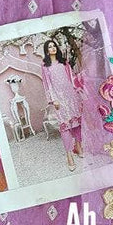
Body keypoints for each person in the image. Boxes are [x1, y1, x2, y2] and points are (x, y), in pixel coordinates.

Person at [41, 39, 84, 171]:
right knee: (65, 127)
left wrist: (77, 92)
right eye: (49, 47)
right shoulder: (45, 66)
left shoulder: (64, 62)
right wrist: (53, 100)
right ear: (46, 50)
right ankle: (69, 155)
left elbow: (71, 78)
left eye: (54, 46)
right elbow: (47, 84)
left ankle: (78, 147)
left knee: (77, 123)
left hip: (71, 96)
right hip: (59, 99)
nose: (52, 48)